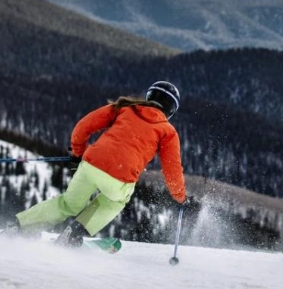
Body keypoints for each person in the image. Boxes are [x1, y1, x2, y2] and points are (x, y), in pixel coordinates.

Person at [13, 81, 187, 246]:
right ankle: (73, 235)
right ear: (171, 110)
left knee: (68, 203)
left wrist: (77, 154)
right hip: (120, 178)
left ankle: (22, 226)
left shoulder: (124, 108)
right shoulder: (167, 131)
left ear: (149, 96)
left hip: (90, 165)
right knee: (115, 202)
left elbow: (83, 127)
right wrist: (180, 197)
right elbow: (172, 171)